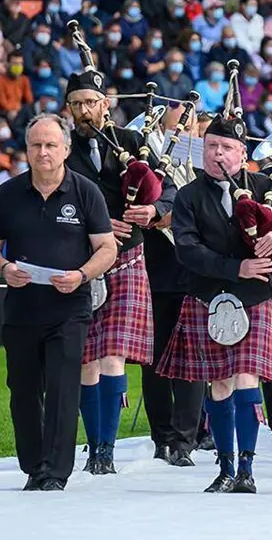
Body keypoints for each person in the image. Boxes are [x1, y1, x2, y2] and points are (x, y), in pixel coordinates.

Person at [155, 112, 272, 493]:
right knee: (219, 383)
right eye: (212, 146)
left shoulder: (264, 186)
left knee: (245, 379)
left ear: (242, 154)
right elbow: (188, 251)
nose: (218, 154)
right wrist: (237, 267)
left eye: (227, 148)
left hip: (254, 298)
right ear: (202, 151)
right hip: (208, 297)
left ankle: (246, 470)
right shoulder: (189, 196)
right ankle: (224, 468)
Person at [0, 113, 117, 491]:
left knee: (62, 389)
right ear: (26, 150)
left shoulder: (86, 192)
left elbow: (107, 247)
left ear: (66, 149)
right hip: (21, 310)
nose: (43, 152)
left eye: (51, 145)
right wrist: (4, 267)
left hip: (69, 310)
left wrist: (82, 275)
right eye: (36, 145)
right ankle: (33, 467)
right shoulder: (7, 193)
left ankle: (56, 473)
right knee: (22, 390)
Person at [65, 67, 177, 475]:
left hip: (128, 258)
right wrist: (94, 223)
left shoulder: (131, 142)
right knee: (85, 360)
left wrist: (154, 210)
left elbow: (169, 190)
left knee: (112, 355)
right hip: (81, 262)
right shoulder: (63, 151)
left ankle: (106, 453)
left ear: (105, 105)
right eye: (76, 105)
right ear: (68, 109)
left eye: (90, 103)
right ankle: (93, 444)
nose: (84, 112)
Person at [139, 98, 205, 467]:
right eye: (179, 122)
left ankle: (186, 439)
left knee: (192, 360)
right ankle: (161, 436)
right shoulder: (151, 157)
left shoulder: (205, 160)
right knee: (156, 361)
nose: (185, 127)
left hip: (195, 272)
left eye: (190, 122)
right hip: (157, 270)